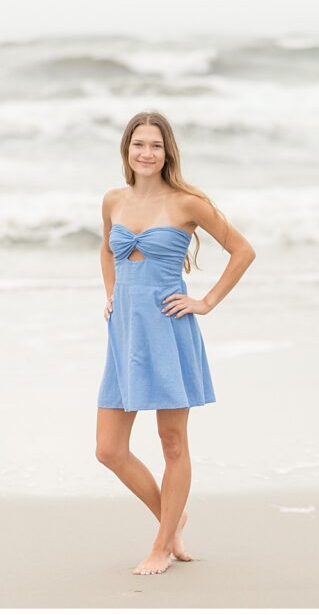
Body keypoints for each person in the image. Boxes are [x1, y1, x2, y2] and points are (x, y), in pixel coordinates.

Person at [95, 110, 256, 576]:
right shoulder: (113, 201)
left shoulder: (187, 202)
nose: (146, 153)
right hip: (125, 330)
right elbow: (108, 249)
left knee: (172, 443)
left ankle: (163, 545)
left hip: (168, 327)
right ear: (127, 149)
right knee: (108, 450)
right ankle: (173, 514)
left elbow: (242, 250)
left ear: (168, 153)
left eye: (156, 145)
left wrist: (206, 301)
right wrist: (112, 295)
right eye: (138, 144)